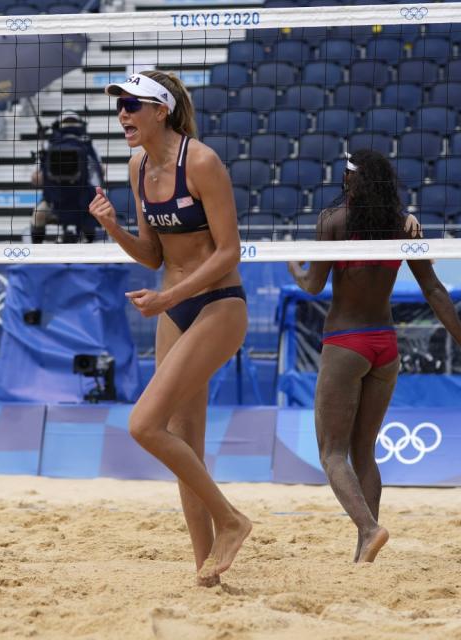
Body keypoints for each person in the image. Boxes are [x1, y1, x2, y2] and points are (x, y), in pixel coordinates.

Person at [87, 70, 252, 586]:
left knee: (143, 425)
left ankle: (231, 519)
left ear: (161, 111)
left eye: (133, 106)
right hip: (173, 306)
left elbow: (229, 251)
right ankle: (208, 572)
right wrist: (113, 227)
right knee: (184, 444)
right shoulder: (138, 166)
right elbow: (153, 253)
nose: (123, 115)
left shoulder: (200, 162)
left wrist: (167, 298)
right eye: (120, 107)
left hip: (218, 304)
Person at [288, 149, 461, 563]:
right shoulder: (404, 225)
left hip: (346, 343)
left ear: (349, 182)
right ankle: (365, 547)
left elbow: (312, 285)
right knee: (363, 450)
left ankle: (369, 529)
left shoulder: (332, 222)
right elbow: (434, 290)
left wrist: (293, 264)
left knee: (332, 453)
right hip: (385, 346)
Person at [31, 110, 104, 244]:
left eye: (72, 121)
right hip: (59, 199)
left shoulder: (88, 145)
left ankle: (89, 243)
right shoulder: (48, 145)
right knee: (38, 214)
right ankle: (36, 251)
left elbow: (35, 179)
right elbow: (102, 172)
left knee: (38, 214)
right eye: (67, 121)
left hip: (78, 198)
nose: (70, 124)